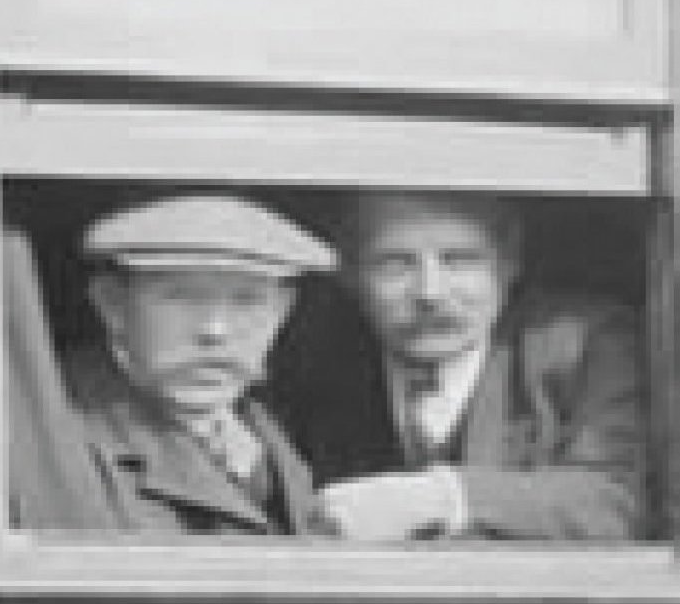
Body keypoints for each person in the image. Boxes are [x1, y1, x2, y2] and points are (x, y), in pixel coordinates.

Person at [293, 188, 649, 542]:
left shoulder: (583, 345)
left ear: (509, 263)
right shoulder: (310, 357)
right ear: (350, 274)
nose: (429, 293)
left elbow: (615, 502)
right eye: (395, 264)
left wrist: (439, 498)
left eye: (459, 261)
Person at [56, 193, 334, 536]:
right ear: (111, 303)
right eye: (183, 297)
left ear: (282, 311)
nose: (215, 330)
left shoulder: (261, 429)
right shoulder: (56, 438)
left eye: (246, 300)